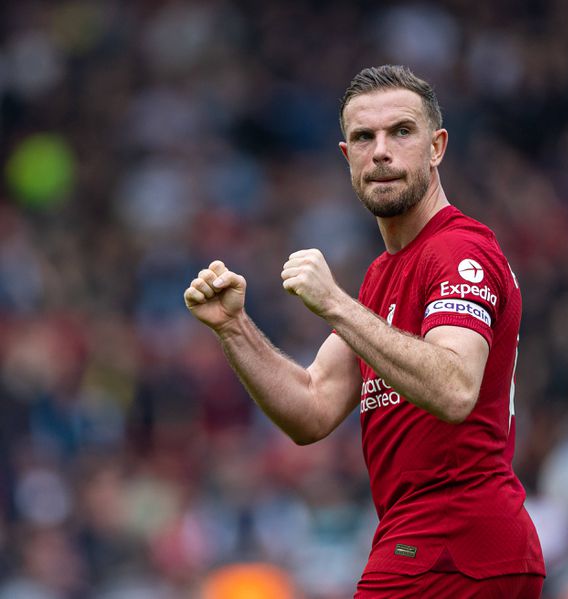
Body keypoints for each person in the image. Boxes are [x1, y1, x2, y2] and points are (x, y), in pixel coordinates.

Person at [184, 64, 545, 597]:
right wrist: (234, 328)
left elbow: (454, 387)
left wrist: (334, 304)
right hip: (438, 546)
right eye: (363, 137)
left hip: (451, 543)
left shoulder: (457, 250)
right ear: (346, 156)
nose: (381, 151)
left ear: (437, 147)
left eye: (401, 132)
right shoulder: (382, 275)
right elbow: (312, 408)